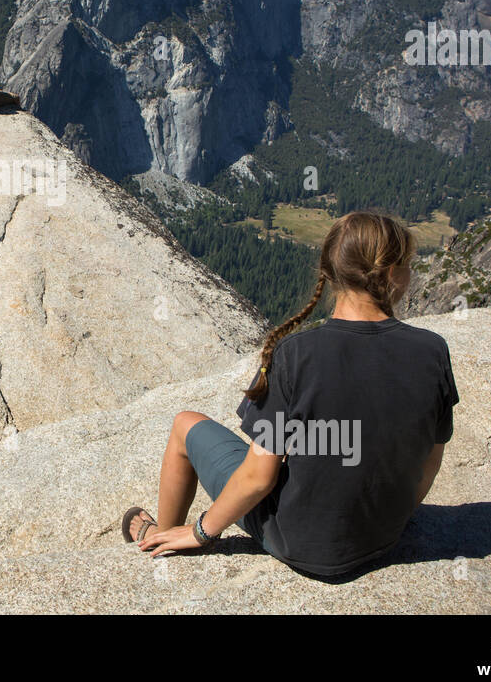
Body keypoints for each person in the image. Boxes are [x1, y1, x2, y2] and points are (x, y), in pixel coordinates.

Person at [122, 211, 460, 579]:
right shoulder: (433, 351)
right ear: (394, 273)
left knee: (185, 424)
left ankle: (163, 537)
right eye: (408, 265)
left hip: (299, 543)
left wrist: (201, 530)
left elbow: (258, 477)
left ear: (328, 273)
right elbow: (428, 464)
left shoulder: (297, 355)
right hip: (383, 536)